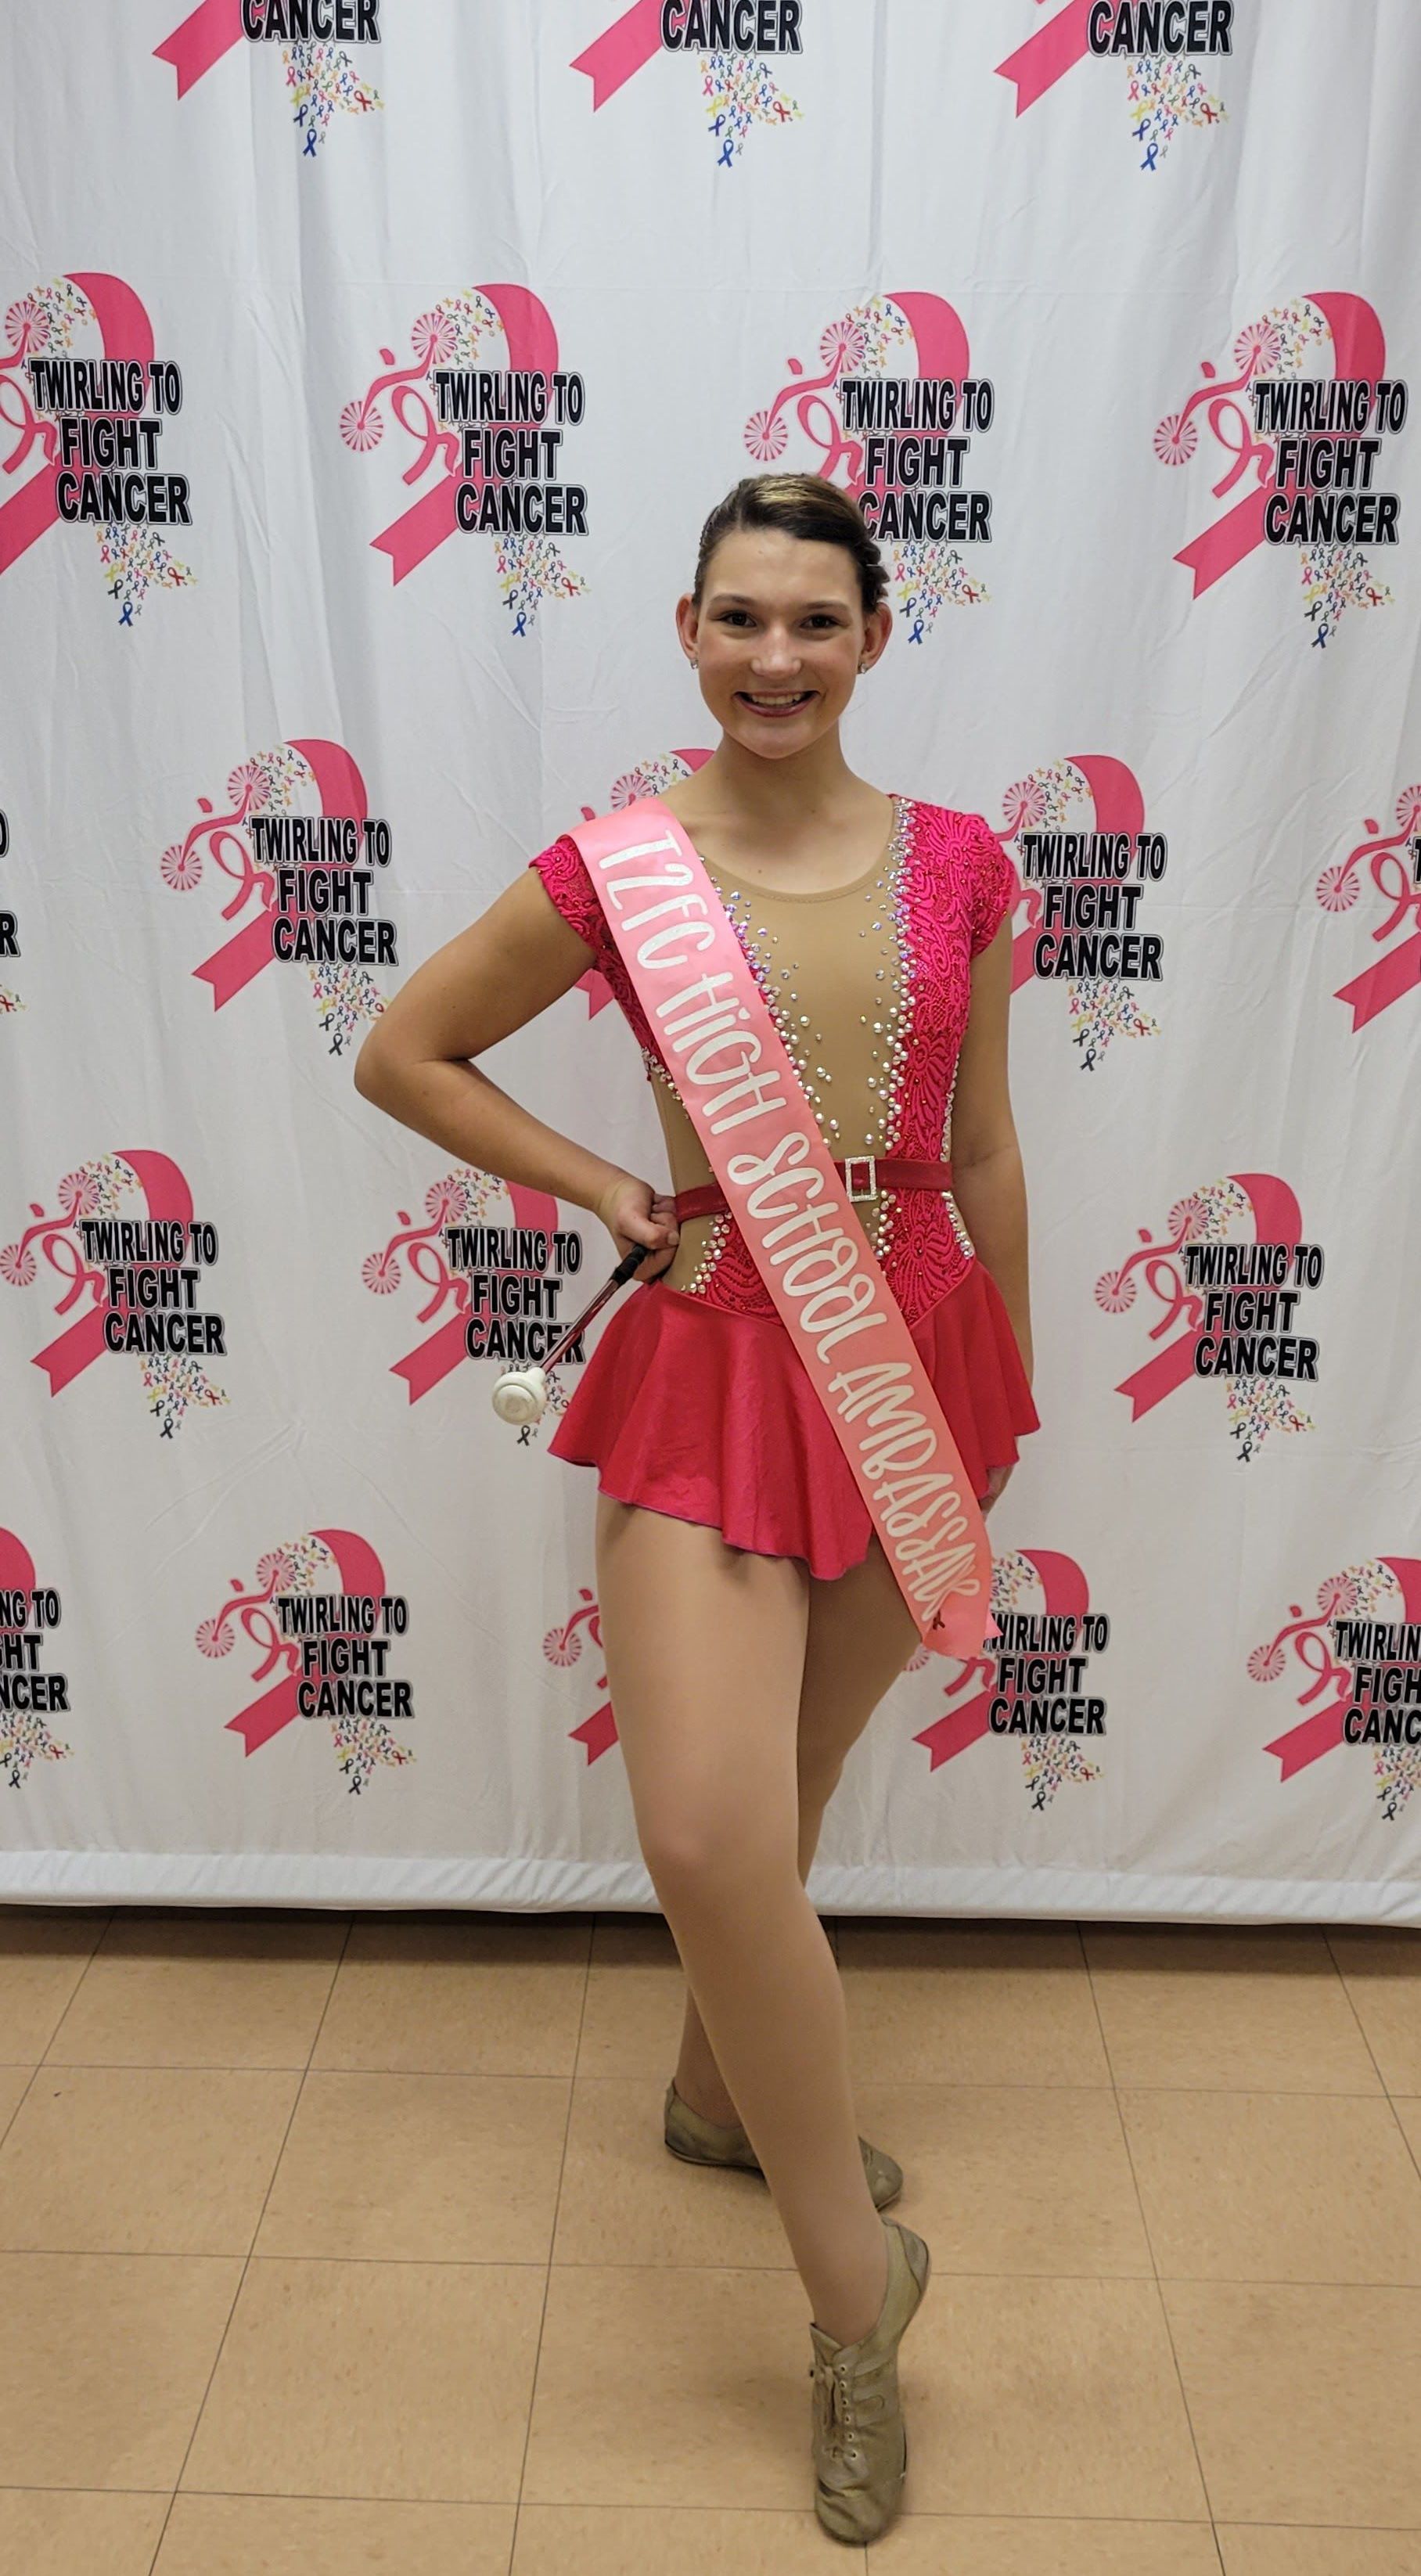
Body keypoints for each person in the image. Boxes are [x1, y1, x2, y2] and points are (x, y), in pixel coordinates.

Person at [353, 470, 1038, 2543]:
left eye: (815, 622)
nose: (774, 656)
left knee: (795, 1783)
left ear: (874, 641)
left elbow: (984, 1143)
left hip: (914, 1355)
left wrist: (999, 1375)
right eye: (739, 618)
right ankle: (857, 2297)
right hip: (720, 1347)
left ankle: (715, 2092)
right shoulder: (615, 871)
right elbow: (408, 1049)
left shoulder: (959, 868)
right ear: (685, 629)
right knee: (709, 1827)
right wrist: (605, 1188)